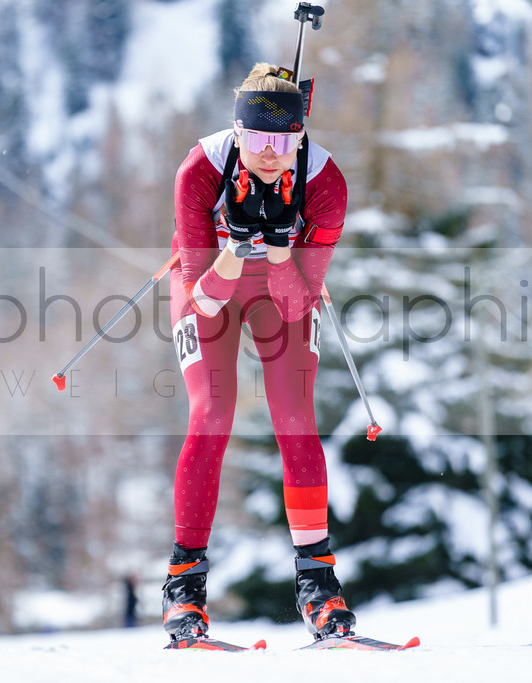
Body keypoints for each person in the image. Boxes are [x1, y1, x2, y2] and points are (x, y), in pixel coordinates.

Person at [161, 62, 354, 644]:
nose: (271, 155)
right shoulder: (201, 169)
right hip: (210, 280)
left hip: (282, 287)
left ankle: (318, 586)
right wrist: (236, 242)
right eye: (258, 139)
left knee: (295, 418)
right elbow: (205, 298)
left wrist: (275, 248)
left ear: (301, 136)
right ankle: (184, 589)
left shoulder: (325, 183)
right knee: (212, 414)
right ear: (237, 132)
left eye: (285, 142)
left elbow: (296, 304)